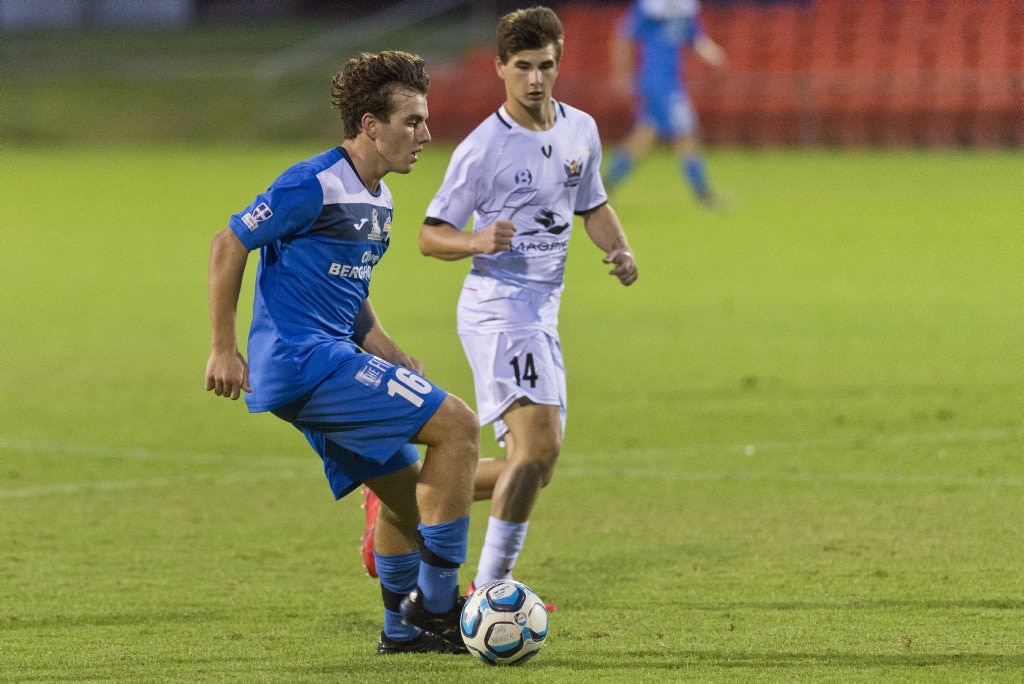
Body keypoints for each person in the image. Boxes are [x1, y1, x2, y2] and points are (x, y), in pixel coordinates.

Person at [361, 6, 638, 606]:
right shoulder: (484, 148)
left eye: (545, 66)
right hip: (498, 309)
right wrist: (476, 240)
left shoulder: (579, 130)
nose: (535, 79)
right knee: (538, 448)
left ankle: (402, 497)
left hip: (544, 311)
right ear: (500, 69)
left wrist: (619, 248)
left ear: (558, 63)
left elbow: (591, 203)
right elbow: (430, 234)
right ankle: (491, 589)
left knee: (534, 465)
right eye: (522, 67)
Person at [204, 50, 478, 656]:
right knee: (458, 427)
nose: (426, 134)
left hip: (325, 360)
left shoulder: (379, 199)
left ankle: (402, 632)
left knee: (408, 495)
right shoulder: (312, 183)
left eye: (425, 121)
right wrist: (224, 347)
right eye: (412, 121)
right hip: (305, 361)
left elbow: (348, 291)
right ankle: (440, 609)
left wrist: (387, 349)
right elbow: (230, 241)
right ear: (369, 124)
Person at [604, 0, 728, 209]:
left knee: (642, 138)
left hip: (672, 81)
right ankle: (704, 195)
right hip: (657, 83)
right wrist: (622, 74)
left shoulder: (685, 9)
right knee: (686, 133)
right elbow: (623, 36)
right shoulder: (649, 8)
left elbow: (696, 38)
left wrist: (714, 55)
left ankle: (601, 190)